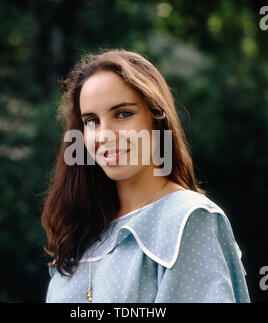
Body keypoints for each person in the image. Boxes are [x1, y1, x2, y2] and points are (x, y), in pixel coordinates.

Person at [41, 49, 250, 303]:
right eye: (92, 121)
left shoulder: (189, 219)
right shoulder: (82, 230)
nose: (104, 135)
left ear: (156, 118)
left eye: (122, 114)